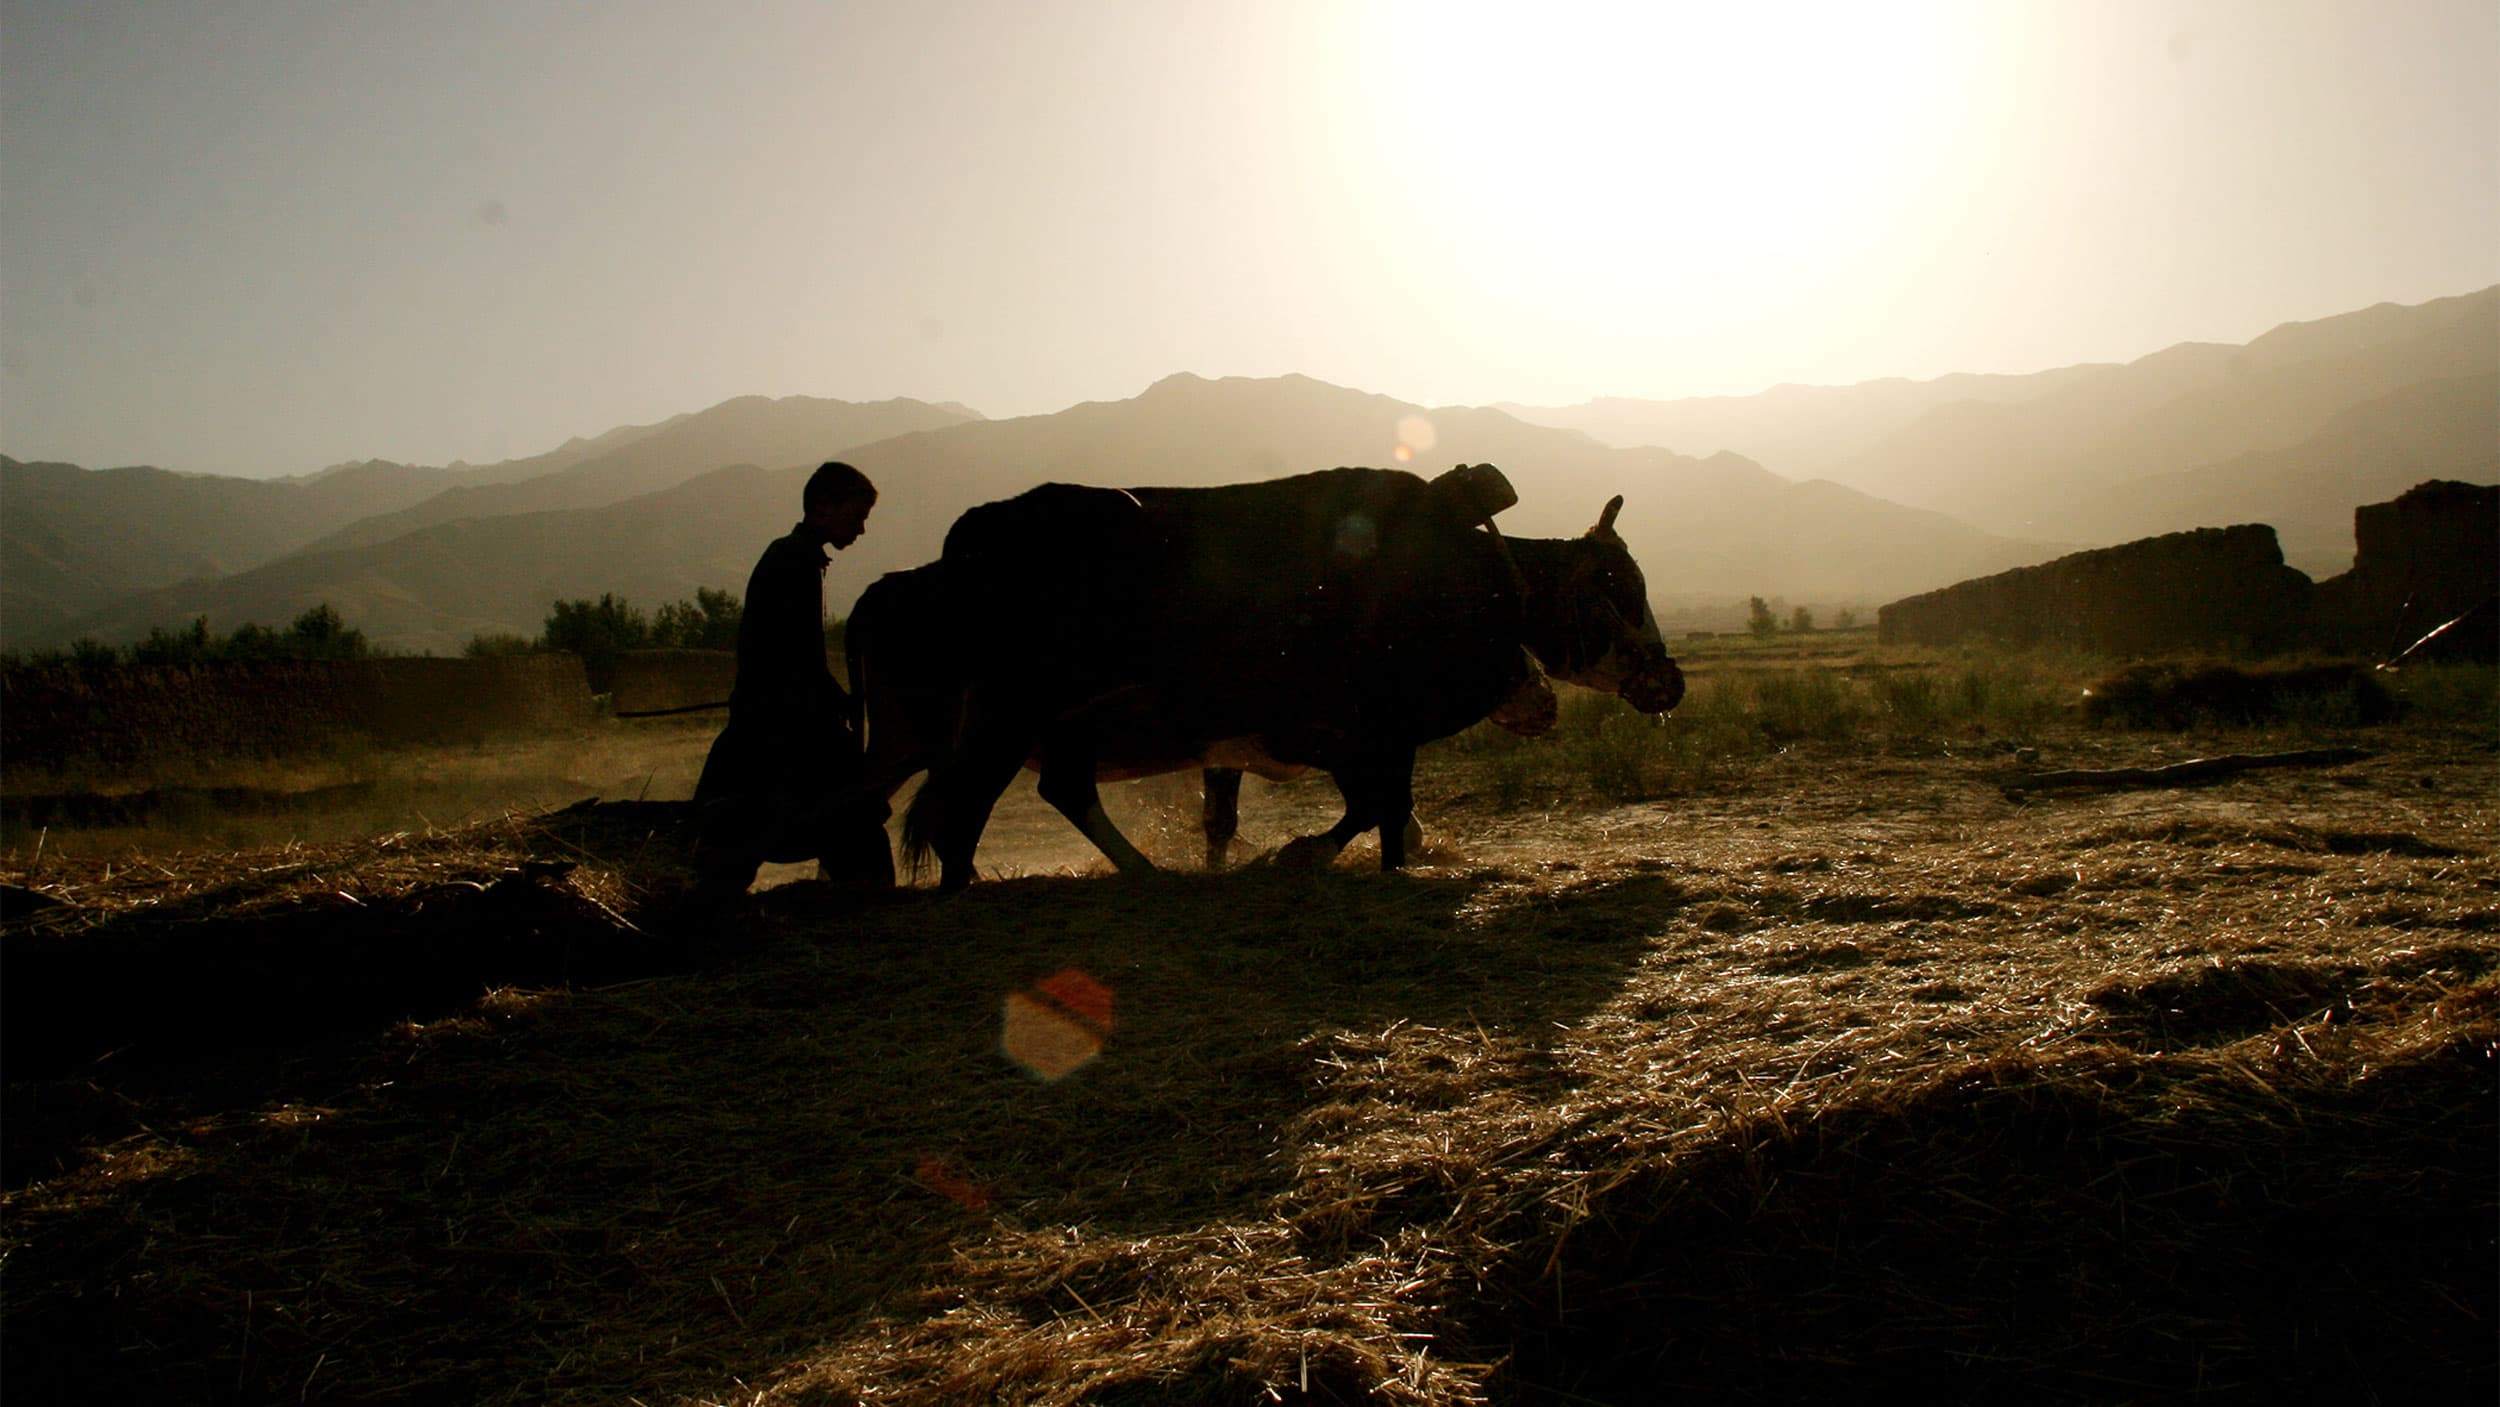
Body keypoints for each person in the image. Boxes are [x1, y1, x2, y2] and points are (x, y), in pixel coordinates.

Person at [690, 461, 890, 901]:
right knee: (843, 807)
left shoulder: (795, 557)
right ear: (822, 506)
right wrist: (830, 698)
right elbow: (793, 650)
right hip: (782, 717)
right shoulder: (794, 560)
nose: (860, 530)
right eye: (856, 516)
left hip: (770, 709)